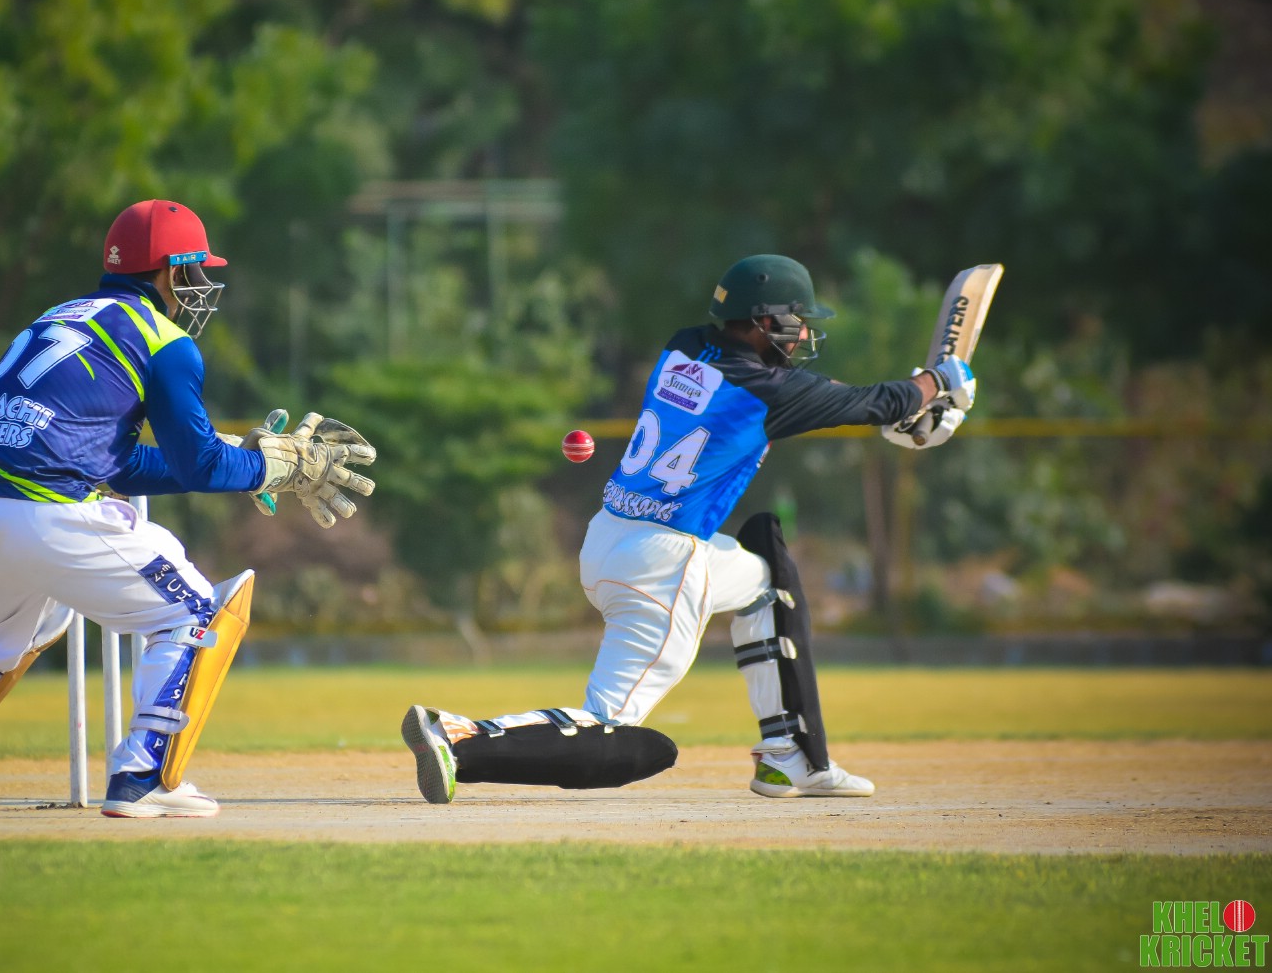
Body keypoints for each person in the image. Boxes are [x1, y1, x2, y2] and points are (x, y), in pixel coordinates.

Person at [0, 199, 375, 819]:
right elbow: (197, 466)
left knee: (2, 635)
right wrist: (271, 468)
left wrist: (238, 458)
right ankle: (142, 776)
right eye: (194, 271)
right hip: (41, 509)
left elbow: (116, 463)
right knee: (196, 611)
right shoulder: (166, 340)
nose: (199, 286)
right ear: (170, 271)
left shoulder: (54, 318)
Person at [401, 253, 973, 803]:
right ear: (762, 322)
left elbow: (841, 399)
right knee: (608, 724)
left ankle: (791, 755)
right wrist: (938, 383)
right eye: (796, 320)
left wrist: (904, 408)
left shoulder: (686, 346)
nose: (802, 334)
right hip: (662, 564)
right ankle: (459, 736)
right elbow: (871, 401)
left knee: (766, 580)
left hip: (609, 538)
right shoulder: (770, 392)